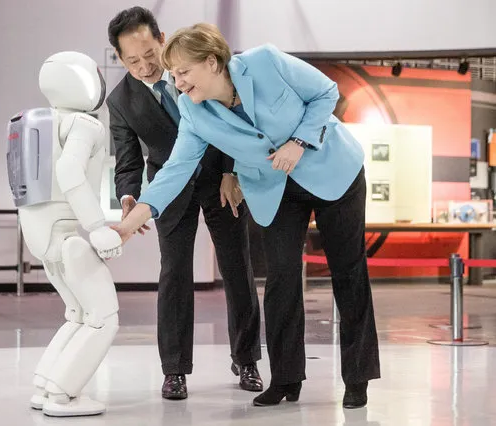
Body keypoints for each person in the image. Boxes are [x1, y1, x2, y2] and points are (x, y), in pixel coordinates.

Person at [112, 23, 381, 409]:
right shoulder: (194, 110)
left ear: (211, 62)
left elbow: (325, 93)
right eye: (175, 75)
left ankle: (357, 378)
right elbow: (174, 169)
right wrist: (130, 221)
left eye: (184, 72)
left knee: (348, 272)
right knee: (281, 279)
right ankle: (286, 379)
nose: (179, 83)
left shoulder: (265, 62)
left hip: (332, 171)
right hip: (274, 187)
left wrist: (299, 141)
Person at [106, 7, 262, 400]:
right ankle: (174, 370)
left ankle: (246, 359)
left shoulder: (193, 70)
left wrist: (234, 171)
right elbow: (126, 160)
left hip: (221, 179)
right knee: (174, 275)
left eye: (148, 56)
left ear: (162, 40)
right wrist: (128, 196)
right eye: (131, 61)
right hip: (169, 188)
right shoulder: (120, 100)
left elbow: (236, 119)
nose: (143, 67)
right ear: (119, 59)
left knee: (237, 267)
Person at [6, 51, 121, 417]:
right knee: (103, 316)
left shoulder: (33, 123)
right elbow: (71, 171)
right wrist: (98, 227)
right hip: (69, 233)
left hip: (42, 234)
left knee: (77, 314)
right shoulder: (83, 125)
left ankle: (45, 385)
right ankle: (62, 394)